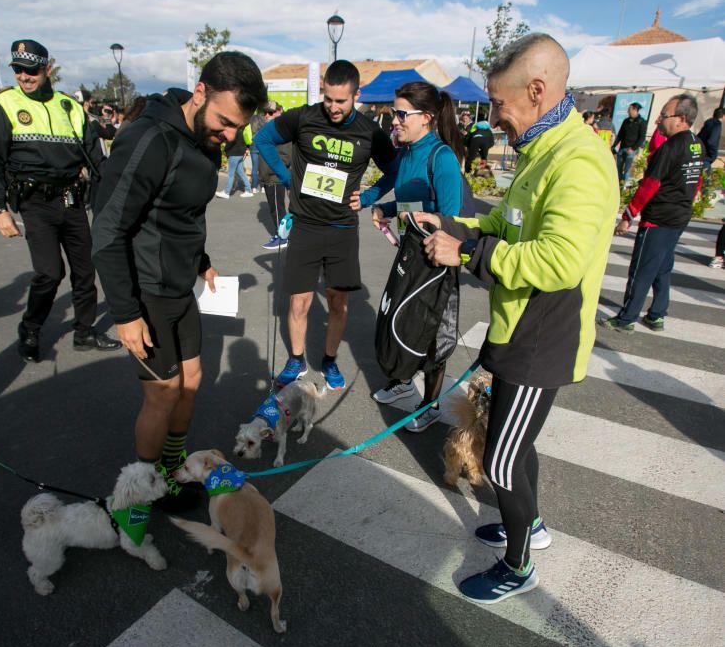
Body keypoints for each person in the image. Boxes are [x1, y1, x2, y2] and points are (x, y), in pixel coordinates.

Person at [413, 33, 617, 603]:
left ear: (536, 90)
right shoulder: (542, 151)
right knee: (515, 445)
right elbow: (505, 222)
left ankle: (519, 563)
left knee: (501, 461)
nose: (494, 116)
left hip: (542, 338)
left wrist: (469, 254)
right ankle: (531, 523)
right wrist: (452, 227)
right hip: (516, 329)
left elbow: (558, 261)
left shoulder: (578, 161)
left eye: (499, 103)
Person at [91, 51, 268, 510]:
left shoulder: (206, 140)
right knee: (162, 394)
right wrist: (126, 314)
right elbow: (108, 230)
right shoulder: (149, 139)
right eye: (225, 122)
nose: (230, 136)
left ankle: (171, 469)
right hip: (145, 290)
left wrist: (202, 259)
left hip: (179, 283)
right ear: (200, 92)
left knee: (192, 379)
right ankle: (142, 489)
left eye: (238, 129)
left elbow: (185, 212)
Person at [255, 60, 398, 390]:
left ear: (356, 95)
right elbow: (263, 139)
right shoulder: (305, 117)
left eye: (341, 101)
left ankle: (330, 360)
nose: (332, 107)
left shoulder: (369, 131)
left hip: (342, 230)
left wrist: (368, 197)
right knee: (298, 302)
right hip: (305, 225)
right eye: (328, 99)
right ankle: (296, 359)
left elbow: (394, 170)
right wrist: (286, 176)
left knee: (337, 302)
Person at [0, 39, 122, 363]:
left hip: (71, 195)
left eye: (30, 70)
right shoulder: (3, 104)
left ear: (46, 69)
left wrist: (119, 194)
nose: (24, 76)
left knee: (85, 269)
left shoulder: (68, 106)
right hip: (35, 201)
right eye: (17, 69)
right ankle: (30, 328)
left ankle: (85, 331)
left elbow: (96, 159)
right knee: (49, 272)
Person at [353, 83, 465, 432]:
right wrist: (383, 206)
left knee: (433, 333)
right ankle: (403, 383)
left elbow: (453, 220)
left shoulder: (441, 157)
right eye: (393, 113)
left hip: (436, 261)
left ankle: (430, 405)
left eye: (401, 114)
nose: (395, 121)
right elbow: (408, 195)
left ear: (426, 118)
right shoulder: (407, 152)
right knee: (400, 321)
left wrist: (422, 227)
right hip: (410, 253)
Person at [599, 94, 704, 333]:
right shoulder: (696, 144)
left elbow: (650, 185)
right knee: (663, 265)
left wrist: (629, 215)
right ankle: (657, 313)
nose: (658, 120)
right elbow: (697, 181)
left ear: (681, 119)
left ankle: (627, 318)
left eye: (664, 116)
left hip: (659, 217)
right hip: (679, 215)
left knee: (642, 269)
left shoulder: (669, 148)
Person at [259, 102, 292, 250]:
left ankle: (283, 237)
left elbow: (285, 156)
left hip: (275, 177)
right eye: (265, 112)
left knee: (278, 210)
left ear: (280, 111)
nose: (267, 115)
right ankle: (283, 235)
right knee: (275, 209)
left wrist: (273, 172)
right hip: (268, 176)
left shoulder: (282, 130)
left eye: (271, 112)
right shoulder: (269, 128)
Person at [214, 117, 253, 199]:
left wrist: (225, 150)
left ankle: (227, 192)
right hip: (240, 152)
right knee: (241, 173)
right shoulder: (243, 128)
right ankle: (249, 190)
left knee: (231, 174)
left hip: (234, 153)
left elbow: (229, 142)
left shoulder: (234, 130)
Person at [612, 102, 647, 185]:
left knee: (627, 170)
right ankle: (618, 185)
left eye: (629, 109)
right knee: (618, 168)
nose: (628, 111)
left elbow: (642, 138)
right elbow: (620, 134)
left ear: (635, 110)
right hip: (622, 148)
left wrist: (633, 148)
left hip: (631, 150)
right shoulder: (626, 121)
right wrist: (613, 146)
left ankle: (624, 187)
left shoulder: (641, 122)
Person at [697, 107, 724, 178]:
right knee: (706, 185)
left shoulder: (708, 123)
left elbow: (698, 137)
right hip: (706, 159)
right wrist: (713, 156)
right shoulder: (717, 125)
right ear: (723, 116)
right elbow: (711, 142)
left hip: (699, 156)